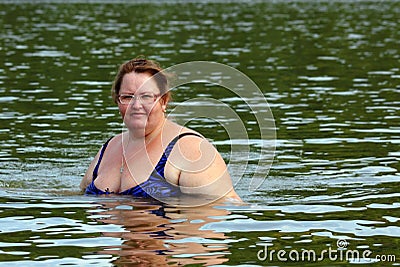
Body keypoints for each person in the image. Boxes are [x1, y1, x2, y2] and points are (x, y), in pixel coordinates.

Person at [80, 57, 241, 202]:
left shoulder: (191, 149)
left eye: (147, 97)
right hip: (113, 235)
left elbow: (225, 208)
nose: (136, 106)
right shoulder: (108, 148)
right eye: (128, 97)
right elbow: (79, 194)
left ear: (163, 101)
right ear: (117, 101)